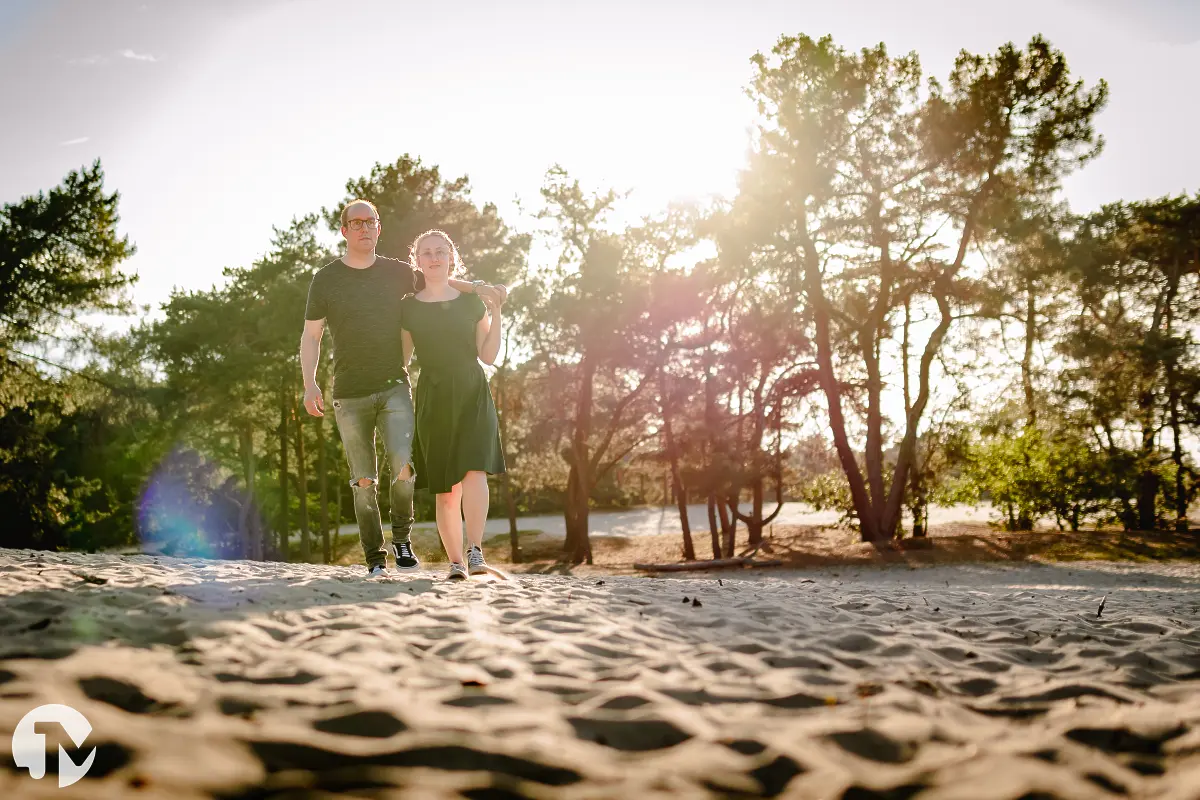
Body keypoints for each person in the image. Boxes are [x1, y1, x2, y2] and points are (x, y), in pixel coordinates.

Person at [300, 200, 506, 578]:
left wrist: (480, 289)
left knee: (406, 470)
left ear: (379, 228)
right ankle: (378, 560)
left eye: (371, 222)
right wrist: (309, 382)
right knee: (366, 481)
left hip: (405, 386)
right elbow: (311, 335)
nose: (364, 228)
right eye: (356, 222)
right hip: (355, 391)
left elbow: (440, 280)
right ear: (344, 230)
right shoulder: (326, 279)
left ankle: (410, 541)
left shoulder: (399, 274)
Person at [401, 230, 506, 581]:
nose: (434, 258)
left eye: (440, 252)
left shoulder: (471, 304)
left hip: (472, 391)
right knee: (446, 491)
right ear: (417, 260)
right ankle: (457, 563)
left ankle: (476, 552)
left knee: (475, 471)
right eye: (426, 252)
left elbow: (488, 355)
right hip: (433, 396)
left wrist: (497, 313)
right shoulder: (409, 307)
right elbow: (402, 362)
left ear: (451, 257)